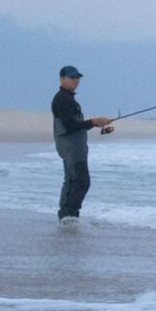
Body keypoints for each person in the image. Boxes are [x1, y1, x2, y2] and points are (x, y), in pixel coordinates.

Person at [51, 66, 113, 223]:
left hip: (75, 147)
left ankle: (68, 216)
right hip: (70, 147)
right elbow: (70, 126)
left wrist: (97, 124)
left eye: (77, 77)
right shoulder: (62, 99)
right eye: (72, 77)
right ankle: (69, 216)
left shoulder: (69, 99)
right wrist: (93, 121)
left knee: (73, 180)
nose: (76, 80)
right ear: (62, 79)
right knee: (80, 181)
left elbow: (76, 124)